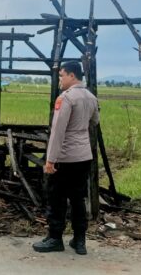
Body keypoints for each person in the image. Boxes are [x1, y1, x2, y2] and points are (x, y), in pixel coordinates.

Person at [32, 61, 99, 255]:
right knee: (78, 198)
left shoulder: (66, 98)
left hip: (65, 158)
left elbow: (57, 131)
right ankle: (79, 241)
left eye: (62, 76)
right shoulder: (90, 97)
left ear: (72, 76)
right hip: (84, 156)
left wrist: (50, 160)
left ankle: (55, 238)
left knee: (57, 198)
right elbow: (95, 121)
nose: (60, 80)